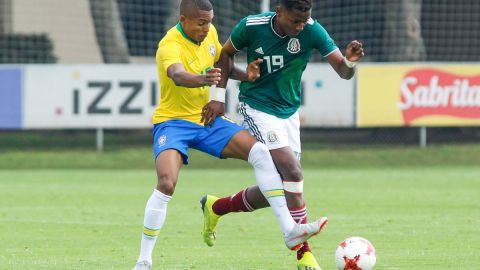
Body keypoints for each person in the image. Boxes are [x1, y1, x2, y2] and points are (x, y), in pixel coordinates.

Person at [132, 0, 328, 269]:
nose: (207, 27)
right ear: (184, 19)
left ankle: (289, 231)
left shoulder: (210, 34)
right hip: (173, 123)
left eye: (209, 21)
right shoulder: (170, 44)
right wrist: (205, 80)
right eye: (201, 23)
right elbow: (178, 75)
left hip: (207, 119)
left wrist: (244, 76)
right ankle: (144, 260)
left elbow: (221, 67)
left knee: (261, 153)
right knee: (166, 183)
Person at [200, 0, 365, 269]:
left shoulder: (312, 30)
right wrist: (218, 97)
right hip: (256, 107)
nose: (301, 26)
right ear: (279, 11)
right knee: (293, 171)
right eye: (295, 21)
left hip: (288, 114)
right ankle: (304, 253)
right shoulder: (252, 26)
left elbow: (343, 71)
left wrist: (350, 61)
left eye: (305, 20)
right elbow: (225, 54)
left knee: (280, 188)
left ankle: (216, 207)